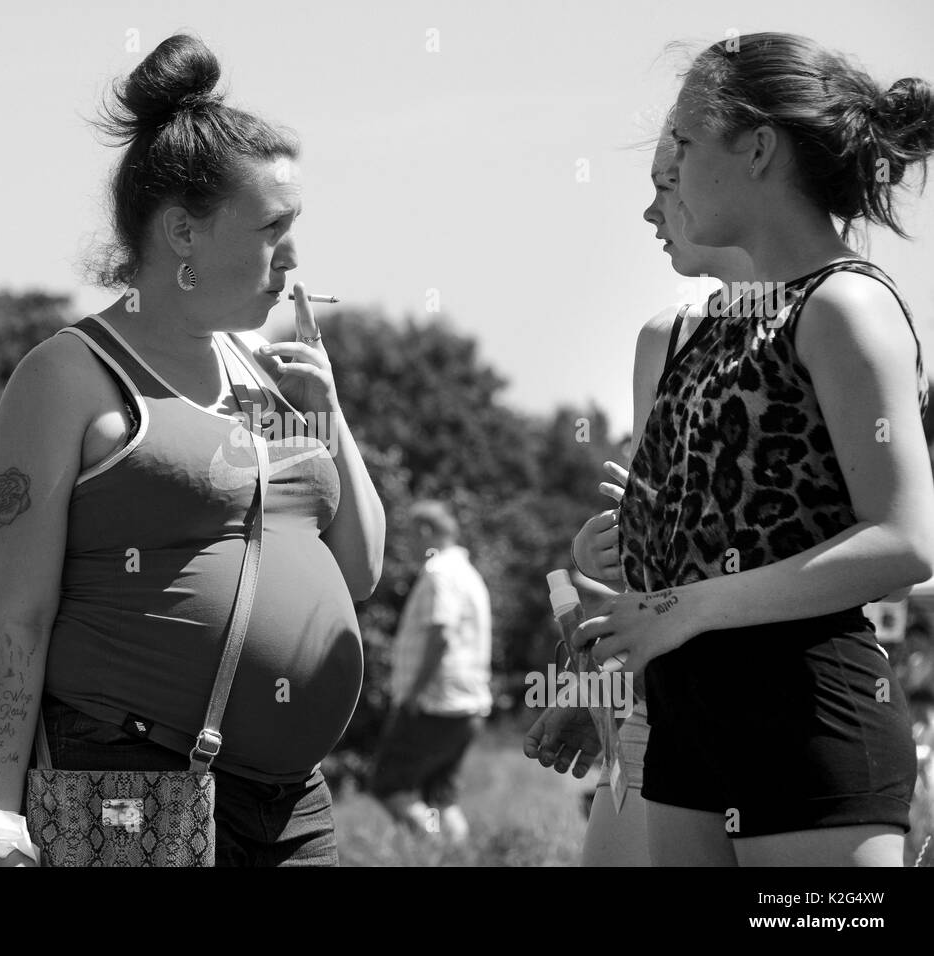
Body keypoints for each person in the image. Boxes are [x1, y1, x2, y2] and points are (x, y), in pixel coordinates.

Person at [0, 33, 385, 867]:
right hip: (126, 780)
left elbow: (363, 570)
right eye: (273, 227)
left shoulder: (266, 372)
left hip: (289, 795)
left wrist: (330, 413)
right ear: (182, 233)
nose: (295, 257)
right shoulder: (68, 375)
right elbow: (15, 621)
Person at [576, 33, 934, 866]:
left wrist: (681, 611)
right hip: (688, 720)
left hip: (808, 716)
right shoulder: (709, 329)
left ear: (759, 150)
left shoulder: (845, 305)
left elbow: (908, 539)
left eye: (687, 144)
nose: (671, 171)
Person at [526, 119, 757, 866]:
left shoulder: (835, 315)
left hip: (777, 705)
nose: (652, 212)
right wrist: (597, 679)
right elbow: (652, 552)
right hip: (654, 710)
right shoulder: (666, 336)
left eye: (667, 183)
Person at [370, 501, 492, 843]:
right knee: (441, 797)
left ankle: (433, 851)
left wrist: (412, 693)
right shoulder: (468, 573)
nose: (405, 545)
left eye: (409, 535)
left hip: (434, 702)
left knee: (389, 786)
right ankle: (457, 857)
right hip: (468, 705)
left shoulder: (440, 572)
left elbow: (442, 634)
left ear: (425, 532)